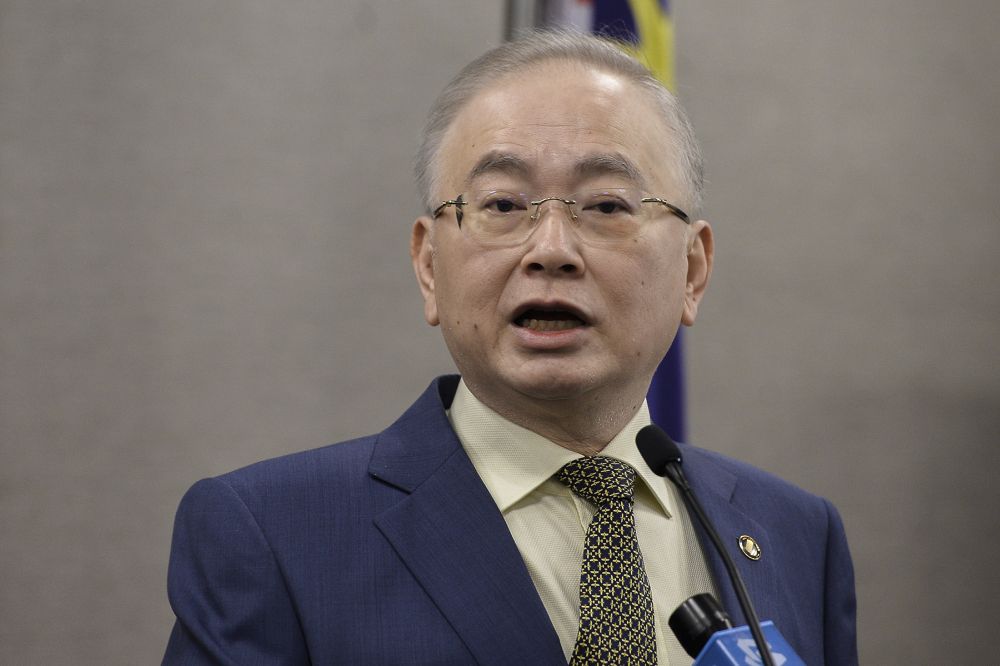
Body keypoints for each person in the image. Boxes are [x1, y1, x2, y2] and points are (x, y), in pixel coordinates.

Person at [163, 31, 857, 665]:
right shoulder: (275, 535)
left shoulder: (795, 534)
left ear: (694, 272)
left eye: (608, 205)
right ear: (429, 267)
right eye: (501, 206)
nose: (550, 250)